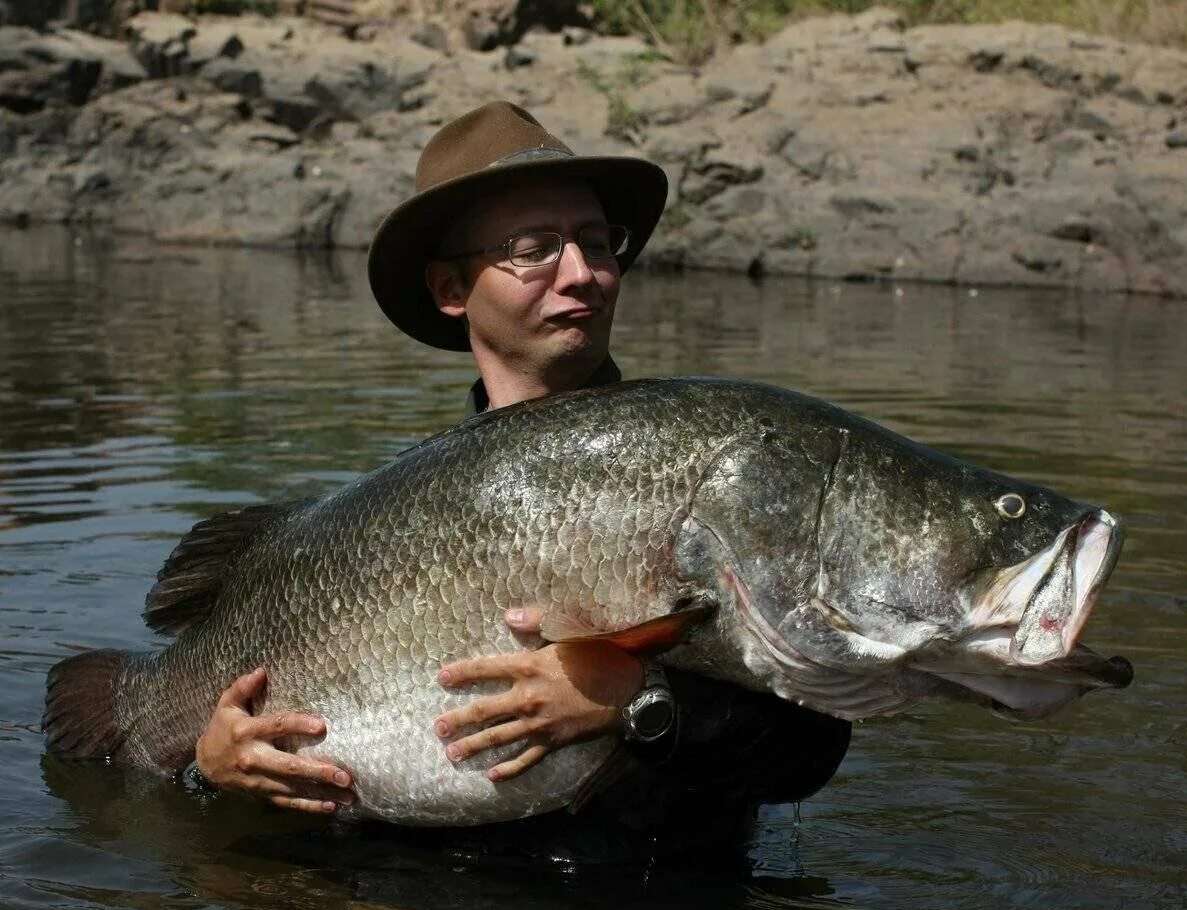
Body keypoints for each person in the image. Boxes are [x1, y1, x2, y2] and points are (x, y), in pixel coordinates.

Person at [193, 102, 851, 861]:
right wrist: (214, 762)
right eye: (534, 248)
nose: (583, 274)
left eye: (598, 243)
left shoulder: (706, 470)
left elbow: (812, 747)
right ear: (450, 287)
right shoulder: (388, 520)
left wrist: (639, 703)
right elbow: (273, 752)